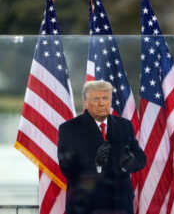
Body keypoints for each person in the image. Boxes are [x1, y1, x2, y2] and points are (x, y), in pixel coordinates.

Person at [58, 80, 146, 214]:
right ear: (85, 103)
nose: (101, 103)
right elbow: (67, 168)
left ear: (110, 100)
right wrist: (96, 164)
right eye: (95, 99)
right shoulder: (69, 128)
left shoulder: (124, 125)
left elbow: (141, 158)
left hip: (120, 205)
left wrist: (129, 162)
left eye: (105, 98)